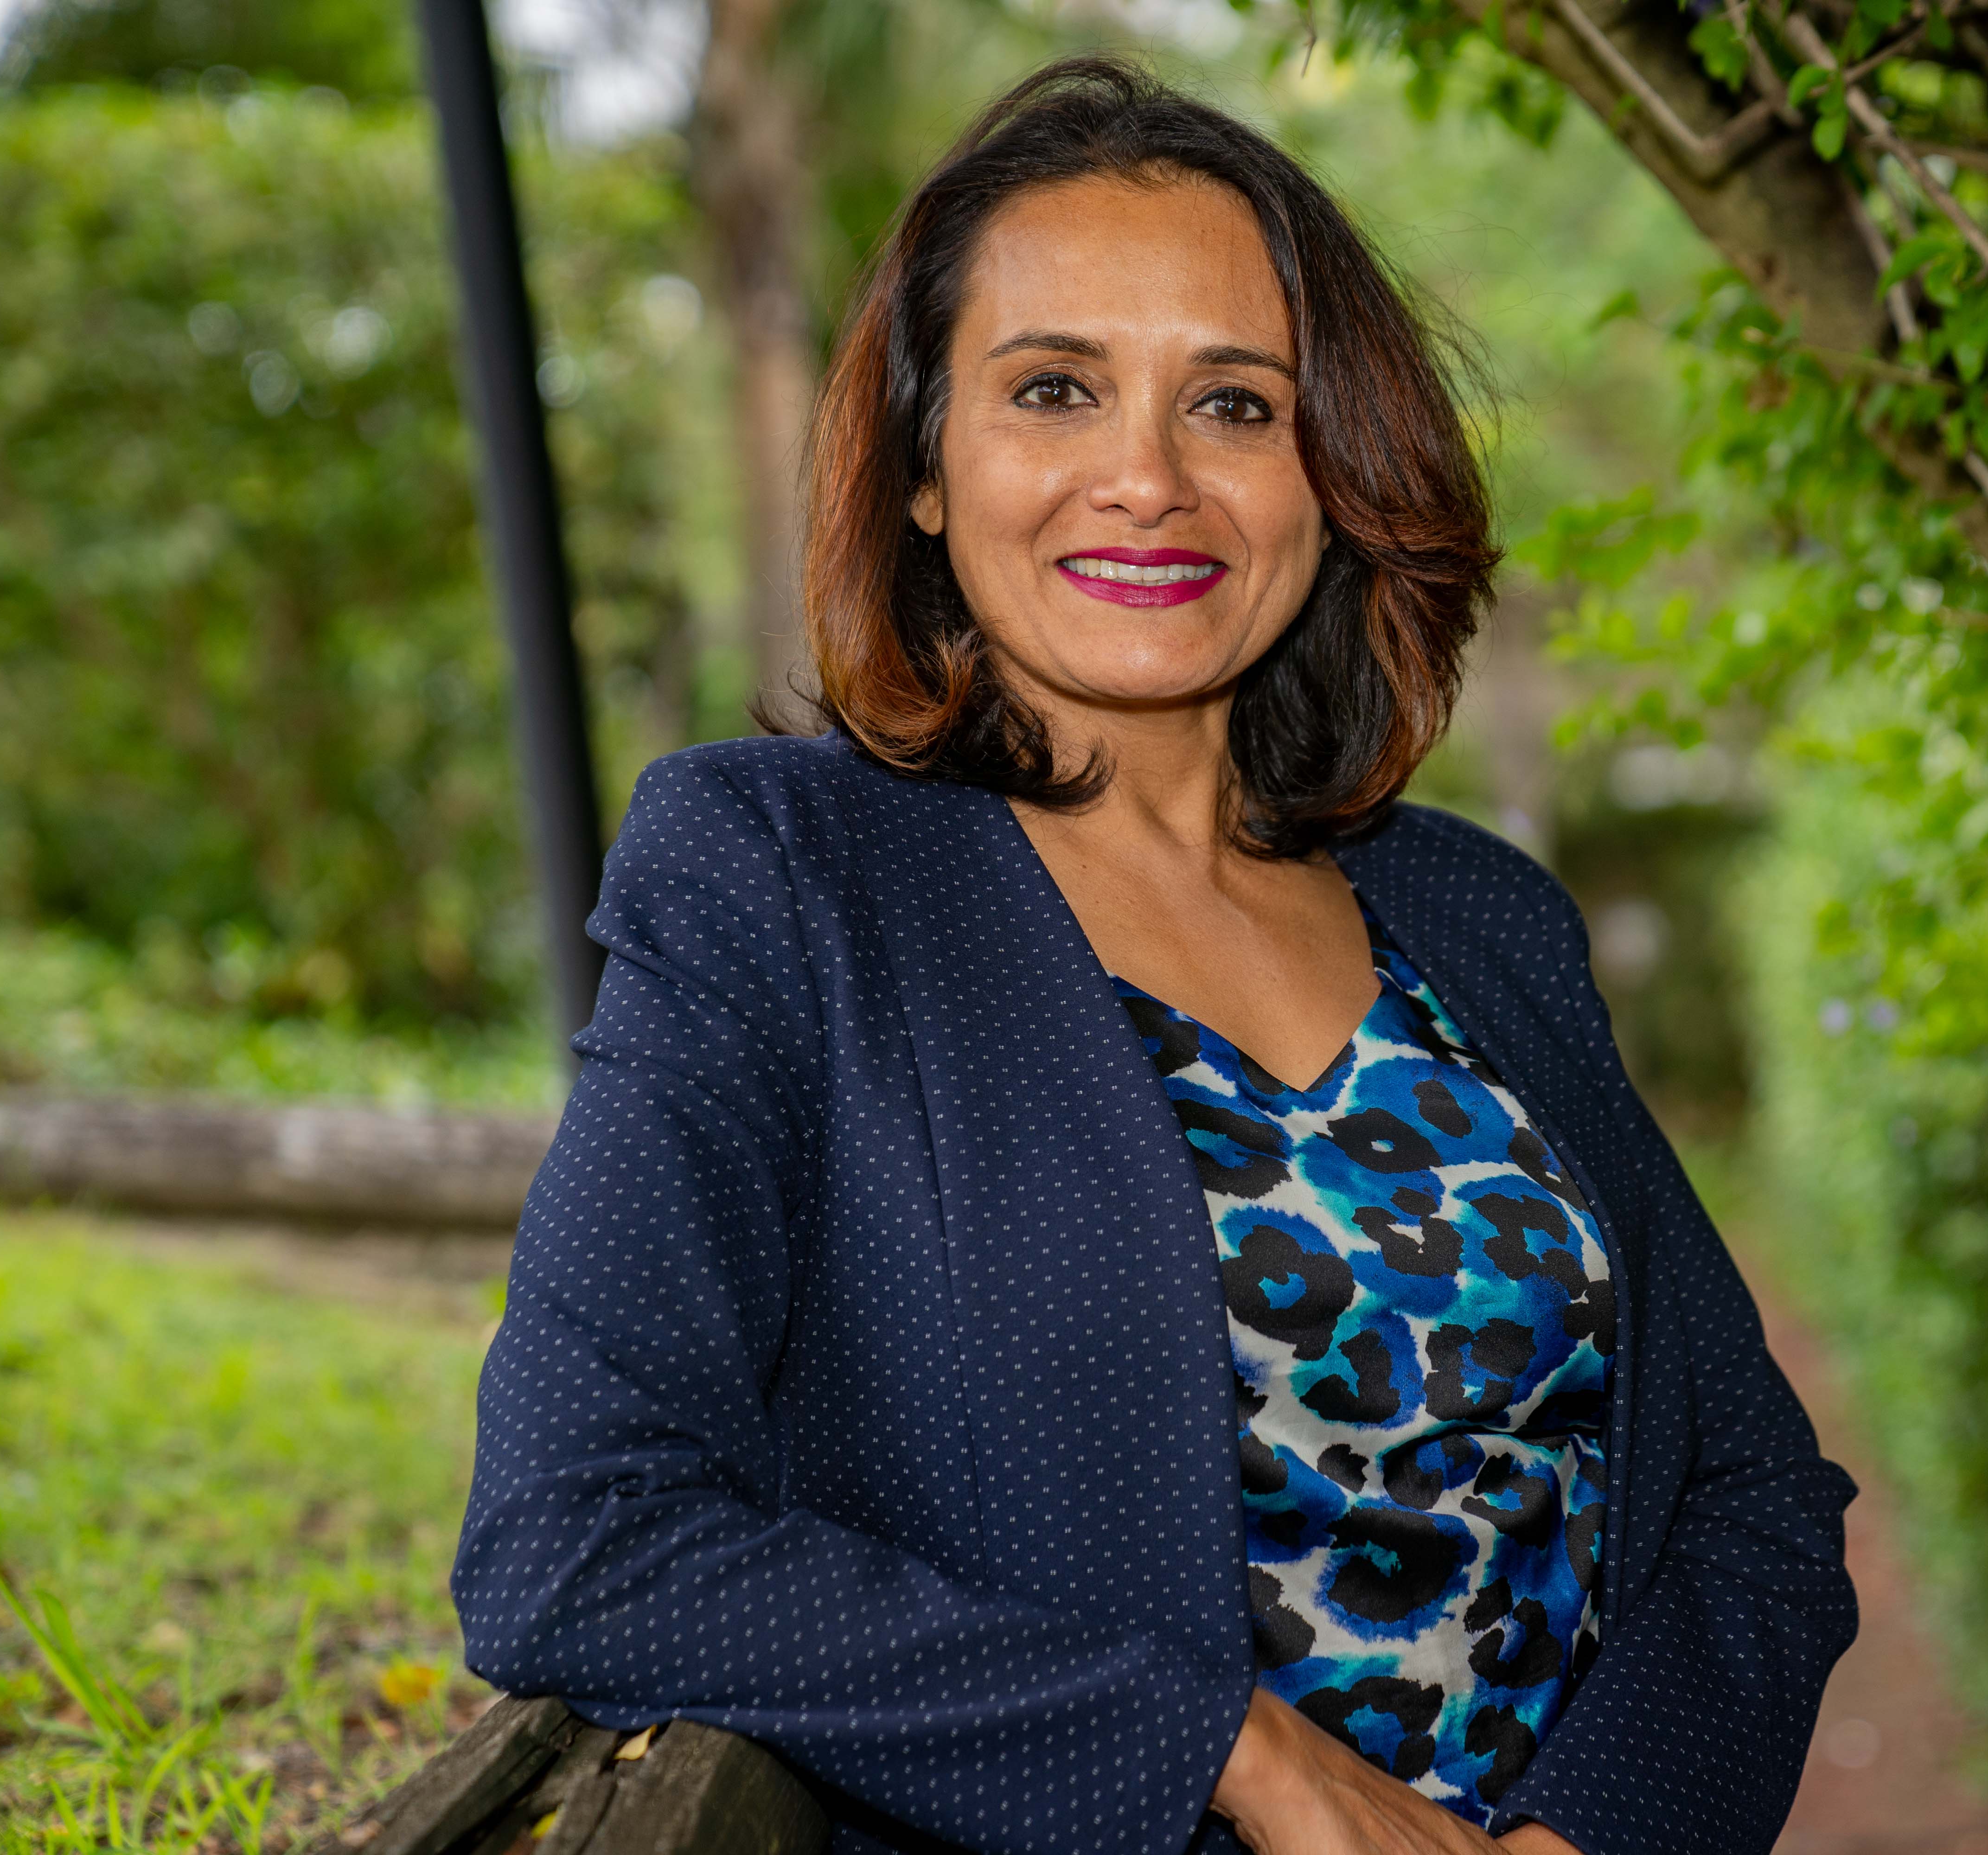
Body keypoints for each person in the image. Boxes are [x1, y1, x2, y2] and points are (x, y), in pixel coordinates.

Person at [452, 55, 1857, 1855]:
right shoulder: (782, 877)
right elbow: (576, 1535)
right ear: (927, 470)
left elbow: (1753, 1494)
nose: (1147, 479)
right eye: (1054, 389)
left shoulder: (1484, 914)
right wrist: (1244, 1757)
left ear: (1332, 475)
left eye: (1236, 406)